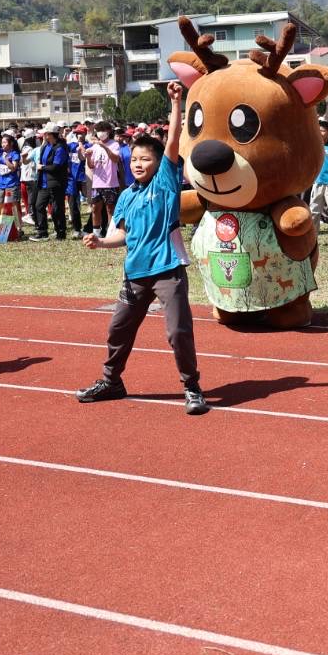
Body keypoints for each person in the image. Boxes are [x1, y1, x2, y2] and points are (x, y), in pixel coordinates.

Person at [76, 82, 206, 415]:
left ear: (159, 162)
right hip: (135, 274)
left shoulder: (165, 182)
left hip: (167, 271)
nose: (137, 163)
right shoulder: (126, 196)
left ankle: (191, 387)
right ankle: (111, 381)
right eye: (134, 158)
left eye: (145, 158)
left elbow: (174, 139)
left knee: (178, 331)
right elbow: (122, 235)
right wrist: (101, 242)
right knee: (118, 328)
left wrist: (177, 102)